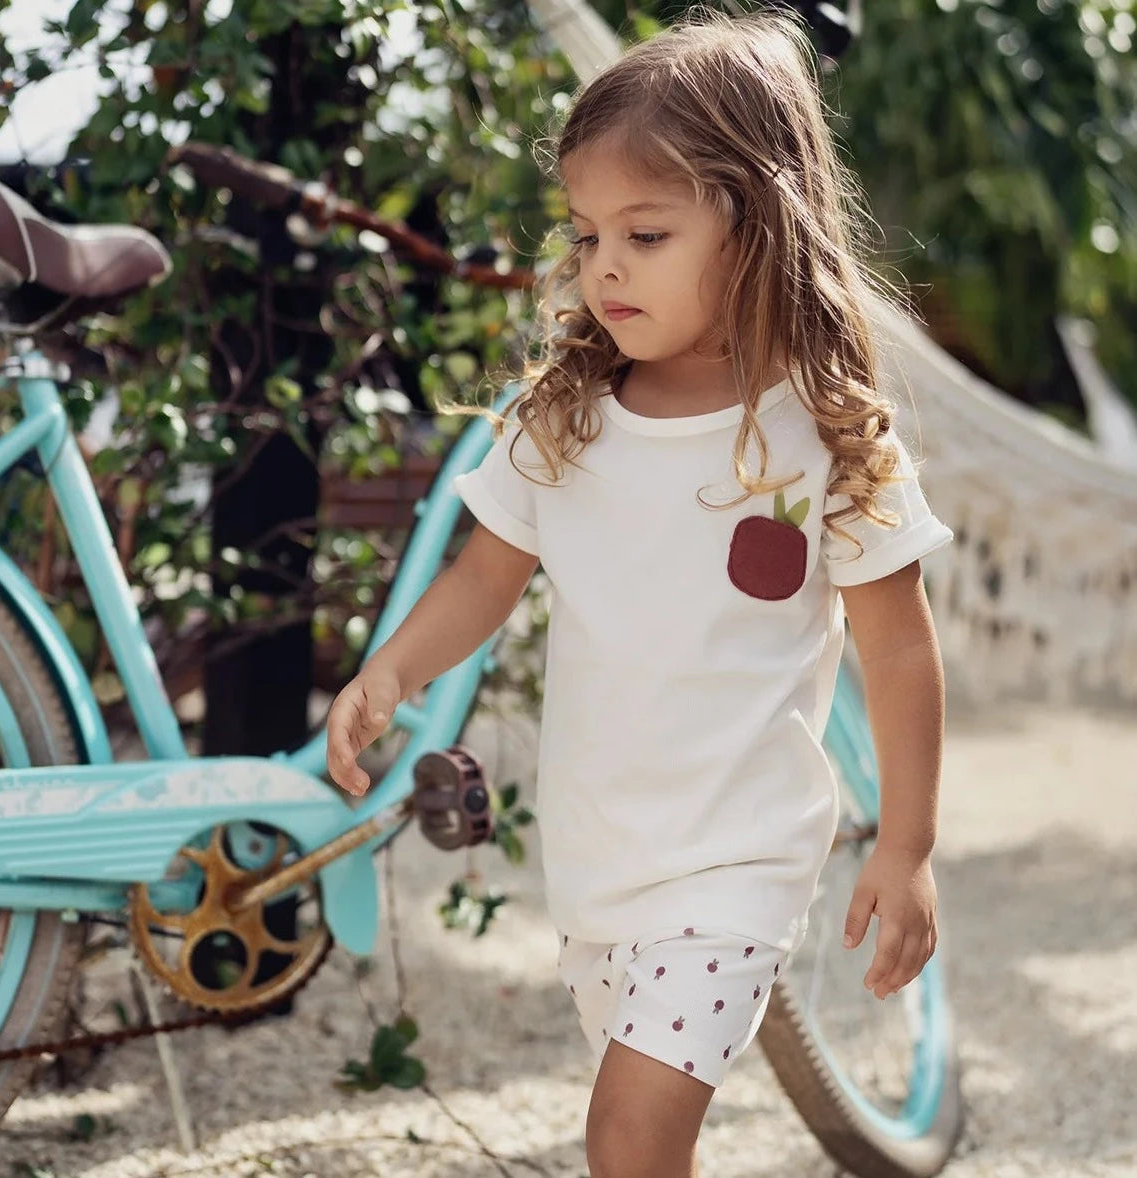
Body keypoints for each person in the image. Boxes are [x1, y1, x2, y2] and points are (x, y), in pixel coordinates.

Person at [327, 9, 952, 1176]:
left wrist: (905, 844)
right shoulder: (563, 419)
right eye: (584, 232)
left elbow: (900, 648)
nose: (602, 264)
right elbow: (481, 576)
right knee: (643, 1142)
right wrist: (394, 668)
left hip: (735, 862)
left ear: (756, 228)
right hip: (598, 864)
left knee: (625, 1135)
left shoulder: (819, 434)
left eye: (646, 232)